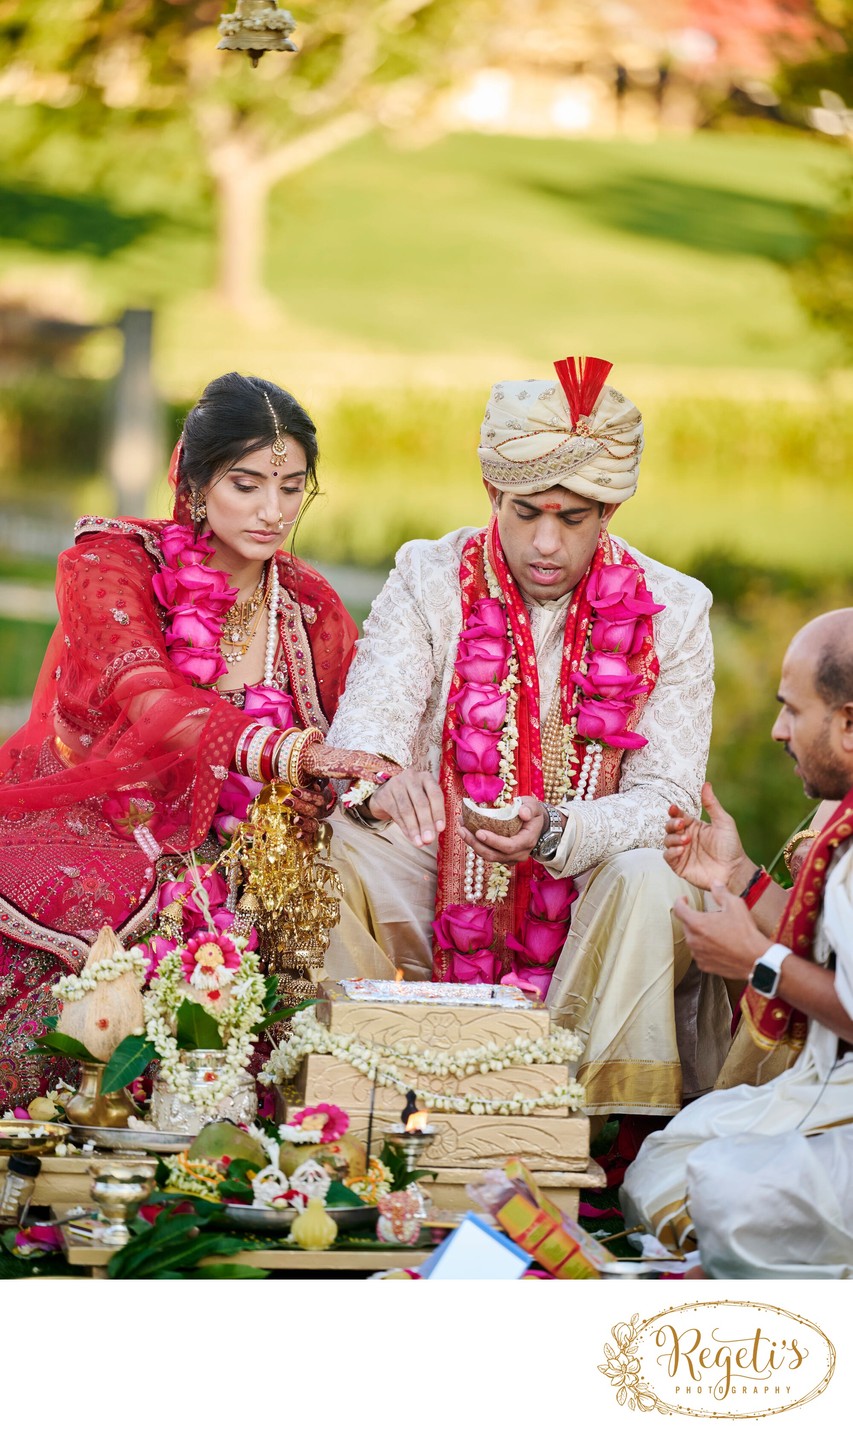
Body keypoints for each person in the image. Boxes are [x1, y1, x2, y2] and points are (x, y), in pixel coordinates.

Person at [325, 354, 731, 1118]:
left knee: (652, 877)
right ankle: (366, 1108)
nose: (546, 542)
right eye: (525, 512)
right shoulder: (429, 575)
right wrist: (381, 785)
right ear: (491, 495)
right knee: (339, 847)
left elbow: (669, 799)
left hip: (583, 893)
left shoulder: (676, 609)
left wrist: (559, 831)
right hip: (432, 868)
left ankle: (587, 1132)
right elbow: (364, 736)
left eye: (571, 518)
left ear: (608, 512)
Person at [0, 371, 391, 1108]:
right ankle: (69, 1124)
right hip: (110, 818)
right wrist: (288, 753)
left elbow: (356, 736)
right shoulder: (111, 565)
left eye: (291, 487)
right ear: (195, 482)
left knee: (335, 897)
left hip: (260, 845)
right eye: (246, 484)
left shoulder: (308, 606)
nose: (272, 511)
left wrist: (358, 781)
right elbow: (150, 703)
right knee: (107, 907)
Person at [621, 610, 853, 1278]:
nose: (779, 729)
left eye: (791, 711)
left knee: (718, 1191)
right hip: (829, 1083)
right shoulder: (837, 816)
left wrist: (756, 963)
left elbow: (805, 970)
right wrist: (738, 876)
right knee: (665, 1162)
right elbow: (826, 943)